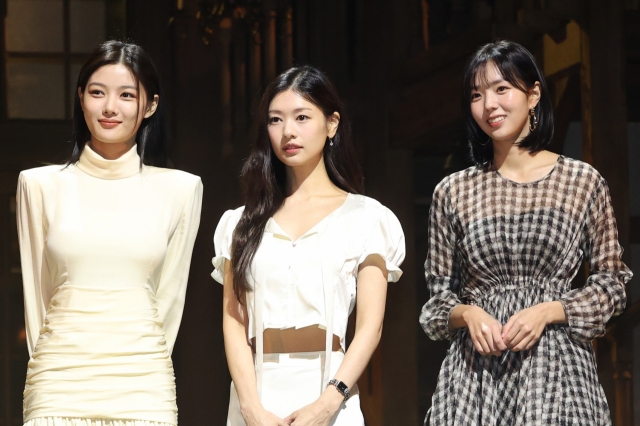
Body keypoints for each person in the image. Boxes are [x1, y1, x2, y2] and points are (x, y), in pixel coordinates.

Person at [420, 40, 632, 425]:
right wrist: (467, 313)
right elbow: (436, 306)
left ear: (533, 94)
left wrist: (552, 310)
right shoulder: (452, 191)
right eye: (477, 95)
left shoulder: (581, 182)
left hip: (557, 368)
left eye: (502, 89)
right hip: (475, 378)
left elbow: (612, 286)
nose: (489, 105)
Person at [17, 40, 203, 426]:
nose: (109, 108)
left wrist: (145, 360)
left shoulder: (182, 189)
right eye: (97, 92)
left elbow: (170, 296)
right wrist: (47, 368)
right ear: (80, 97)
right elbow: (37, 297)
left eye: (126, 95)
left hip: (143, 383)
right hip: (59, 380)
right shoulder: (38, 185)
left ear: (149, 105)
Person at [212, 66, 405, 426]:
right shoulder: (240, 223)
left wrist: (329, 402)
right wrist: (250, 407)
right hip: (256, 397)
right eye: (276, 120)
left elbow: (370, 326)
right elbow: (233, 322)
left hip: (331, 394)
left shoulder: (366, 218)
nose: (288, 131)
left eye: (302, 117)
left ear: (331, 124)